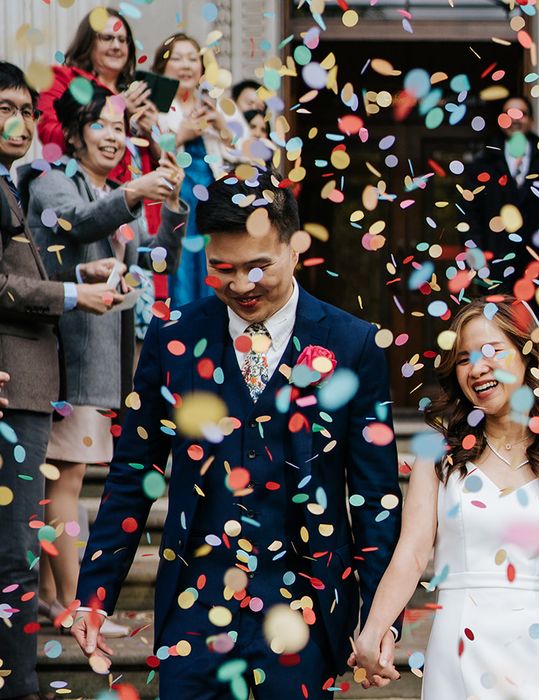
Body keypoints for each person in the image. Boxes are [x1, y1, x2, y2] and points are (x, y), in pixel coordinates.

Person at [70, 168, 403, 697]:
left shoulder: (352, 344)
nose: (242, 286)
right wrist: (95, 593)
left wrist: (382, 618)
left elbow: (373, 495)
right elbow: (134, 473)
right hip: (193, 609)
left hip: (306, 608)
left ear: (295, 248)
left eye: (258, 267)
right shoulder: (174, 335)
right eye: (224, 269)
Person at [349, 296, 539, 697]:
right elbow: (411, 555)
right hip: (460, 655)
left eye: (491, 351)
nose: (477, 368)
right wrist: (375, 626)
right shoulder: (439, 457)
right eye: (463, 358)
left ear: (527, 354)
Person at [23, 86, 188, 638]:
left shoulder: (114, 192)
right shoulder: (52, 180)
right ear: (73, 134)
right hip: (63, 354)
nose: (115, 136)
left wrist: (174, 203)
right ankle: (74, 607)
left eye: (121, 127)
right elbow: (73, 224)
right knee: (64, 482)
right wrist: (136, 191)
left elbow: (156, 253)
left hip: (101, 355)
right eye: (102, 125)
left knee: (64, 482)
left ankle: (53, 600)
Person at [0, 60, 122, 700]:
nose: (17, 124)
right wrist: (75, 291)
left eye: (23, 111)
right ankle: (21, 675)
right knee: (18, 539)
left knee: (18, 541)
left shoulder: (15, 183)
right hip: (21, 378)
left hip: (39, 378)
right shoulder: (34, 184)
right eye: (3, 110)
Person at [464, 95, 539, 403]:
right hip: (496, 265)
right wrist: (478, 259)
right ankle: (502, 398)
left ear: (530, 118)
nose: (515, 118)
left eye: (522, 113)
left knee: (537, 335)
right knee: (500, 333)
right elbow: (472, 217)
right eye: (508, 113)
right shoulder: (482, 162)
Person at [154, 33, 245, 306]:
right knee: (178, 271)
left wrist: (220, 125)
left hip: (211, 205)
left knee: (212, 266)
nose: (186, 66)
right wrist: (182, 134)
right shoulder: (154, 103)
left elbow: (249, 152)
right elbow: (148, 152)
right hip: (174, 202)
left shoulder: (215, 104)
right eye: (177, 58)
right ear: (162, 67)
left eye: (193, 59)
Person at [36, 8, 157, 185]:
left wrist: (154, 136)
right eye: (107, 38)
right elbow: (50, 136)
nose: (116, 46)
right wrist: (115, 108)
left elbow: (156, 163)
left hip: (139, 199)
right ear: (88, 42)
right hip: (84, 190)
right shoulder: (63, 78)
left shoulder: (137, 91)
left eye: (123, 40)